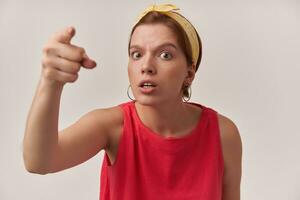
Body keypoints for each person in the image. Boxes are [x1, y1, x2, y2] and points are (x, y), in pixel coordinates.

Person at [22, 3, 242, 200]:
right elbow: (39, 162)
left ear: (189, 72)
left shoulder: (223, 134)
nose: (146, 66)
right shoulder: (111, 126)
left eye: (165, 55)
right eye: (136, 54)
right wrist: (50, 83)